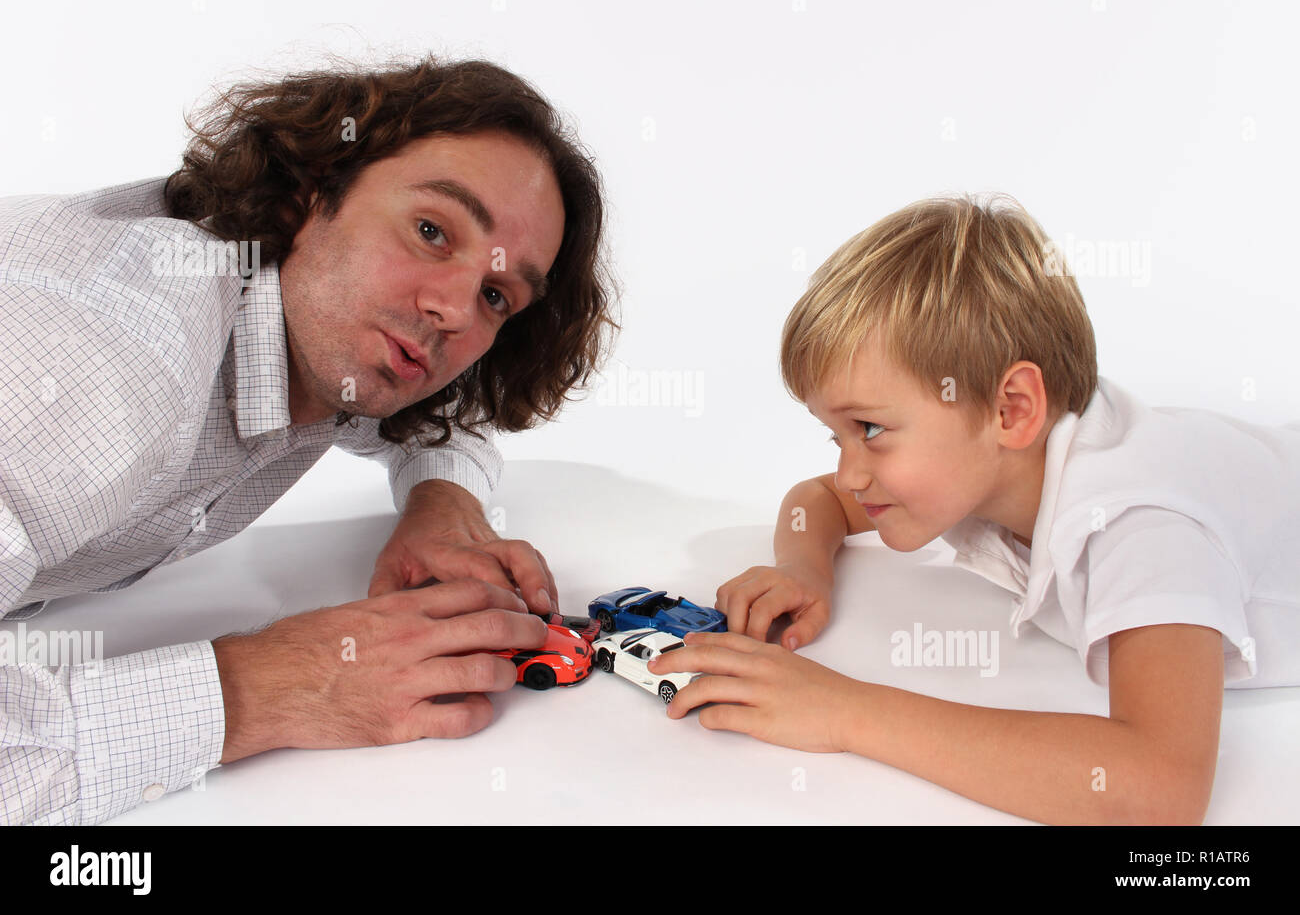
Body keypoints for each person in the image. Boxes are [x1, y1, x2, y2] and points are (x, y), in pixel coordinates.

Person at [0, 56, 617, 824]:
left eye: (497, 295)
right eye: (432, 231)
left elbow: (456, 415)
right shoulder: (99, 370)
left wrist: (441, 500)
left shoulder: (329, 333)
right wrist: (266, 686)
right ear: (309, 191)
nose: (456, 309)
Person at [650, 194, 1300, 825]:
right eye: (835, 435)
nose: (850, 470)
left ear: (1012, 409)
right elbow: (816, 501)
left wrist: (843, 710)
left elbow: (1160, 788)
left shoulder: (1143, 523)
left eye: (870, 428)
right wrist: (803, 571)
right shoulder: (988, 461)